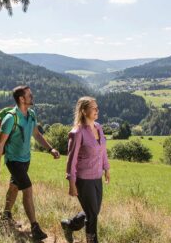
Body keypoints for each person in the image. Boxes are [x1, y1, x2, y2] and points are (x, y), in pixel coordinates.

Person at [0, 85, 60, 241]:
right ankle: (35, 227)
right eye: (29, 95)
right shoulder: (11, 118)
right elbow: (0, 144)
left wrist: (50, 149)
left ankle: (6, 214)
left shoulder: (31, 114)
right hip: (13, 160)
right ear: (21, 99)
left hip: (25, 159)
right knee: (27, 189)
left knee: (15, 186)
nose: (32, 96)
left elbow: (36, 134)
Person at [61, 97, 110, 243]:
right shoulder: (77, 133)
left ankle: (69, 225)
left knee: (94, 211)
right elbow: (71, 160)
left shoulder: (99, 127)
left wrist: (106, 168)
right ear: (83, 110)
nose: (97, 110)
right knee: (92, 215)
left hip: (97, 177)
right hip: (83, 179)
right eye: (93, 108)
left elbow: (103, 151)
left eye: (97, 107)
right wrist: (71, 183)